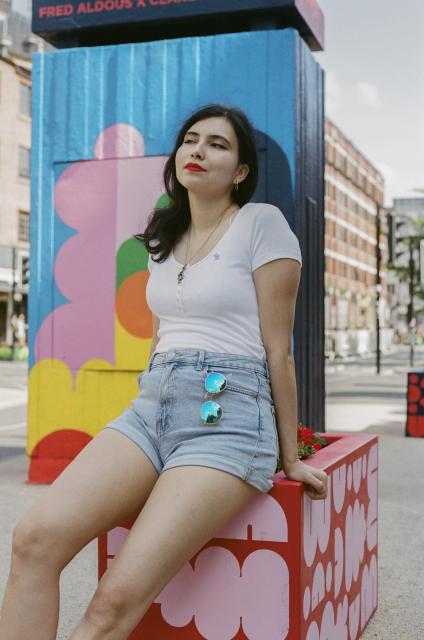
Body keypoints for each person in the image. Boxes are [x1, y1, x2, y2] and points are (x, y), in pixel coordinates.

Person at [0, 103, 328, 639]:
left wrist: (288, 456)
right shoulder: (163, 237)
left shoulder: (261, 224)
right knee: (33, 539)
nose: (198, 151)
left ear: (241, 172)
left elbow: (279, 350)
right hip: (153, 406)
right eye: (191, 140)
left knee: (112, 602)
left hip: (229, 418)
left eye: (218, 145)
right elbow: (162, 336)